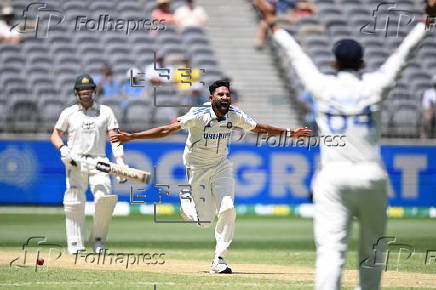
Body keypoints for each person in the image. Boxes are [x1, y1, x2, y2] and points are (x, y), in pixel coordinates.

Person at [260, 0, 434, 289]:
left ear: (334, 63)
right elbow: (404, 55)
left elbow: (296, 55)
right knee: (373, 251)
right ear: (362, 64)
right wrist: (427, 20)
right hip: (371, 176)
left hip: (333, 176)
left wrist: (274, 25)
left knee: (331, 251)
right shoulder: (374, 85)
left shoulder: (321, 86)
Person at [111, 80, 311, 273]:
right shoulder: (198, 114)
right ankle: (186, 200)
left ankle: (219, 259)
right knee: (204, 221)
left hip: (221, 166)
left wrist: (290, 132)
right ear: (211, 97)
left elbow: (259, 128)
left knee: (228, 208)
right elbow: (166, 130)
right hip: (197, 167)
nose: (225, 97)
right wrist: (133, 136)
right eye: (220, 94)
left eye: (227, 95)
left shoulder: (234, 114)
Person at [50, 74, 127, 254]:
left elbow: (115, 138)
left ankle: (98, 240)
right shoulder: (69, 112)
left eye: (88, 89)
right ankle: (75, 244)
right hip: (75, 161)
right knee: (74, 202)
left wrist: (120, 162)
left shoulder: (105, 111)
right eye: (82, 90)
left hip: (99, 161)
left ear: (94, 91)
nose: (85, 93)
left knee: (104, 197)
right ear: (77, 92)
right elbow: (55, 134)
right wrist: (62, 149)